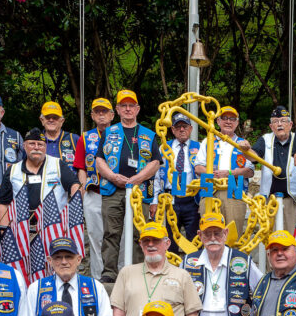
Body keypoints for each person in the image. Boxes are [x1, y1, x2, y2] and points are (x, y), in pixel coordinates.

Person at [94, 89, 162, 283]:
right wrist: (113, 176)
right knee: (111, 233)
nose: (128, 108)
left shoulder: (149, 135)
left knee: (140, 233)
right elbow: (99, 160)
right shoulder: (109, 132)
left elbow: (156, 162)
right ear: (117, 109)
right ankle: (109, 273)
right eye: (123, 105)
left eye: (131, 105)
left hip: (140, 192)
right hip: (113, 189)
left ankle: (138, 271)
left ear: (137, 109)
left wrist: (137, 179)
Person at [25, 237, 113, 316]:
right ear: (49, 260)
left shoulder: (95, 287)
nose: (64, 262)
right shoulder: (36, 289)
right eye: (58, 257)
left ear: (78, 259)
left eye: (68, 256)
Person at [0, 128, 80, 224]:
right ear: (24, 146)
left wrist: (75, 204)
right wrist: (4, 231)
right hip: (21, 229)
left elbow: (75, 185)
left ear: (45, 147)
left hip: (54, 227)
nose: (36, 147)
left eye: (40, 144)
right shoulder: (12, 170)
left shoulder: (58, 165)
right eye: (32, 144)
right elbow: (3, 204)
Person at [239, 106, 296, 233]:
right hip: (270, 200)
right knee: (270, 238)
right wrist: (245, 150)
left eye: (283, 121)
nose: (279, 124)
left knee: (293, 238)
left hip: (293, 199)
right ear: (271, 126)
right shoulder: (265, 139)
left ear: (290, 124)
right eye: (275, 121)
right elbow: (253, 157)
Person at [193, 106, 254, 235]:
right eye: (224, 118)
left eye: (232, 119)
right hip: (210, 191)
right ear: (218, 121)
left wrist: (229, 173)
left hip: (234, 194)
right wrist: (212, 175)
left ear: (237, 123)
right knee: (208, 234)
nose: (228, 122)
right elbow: (198, 168)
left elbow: (250, 170)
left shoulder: (243, 144)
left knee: (233, 235)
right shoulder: (207, 141)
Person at [72, 97, 115, 279]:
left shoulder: (120, 134)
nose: (101, 115)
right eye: (97, 111)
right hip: (94, 192)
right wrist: (82, 192)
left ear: (112, 115)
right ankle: (99, 278)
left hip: (115, 193)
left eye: (104, 111)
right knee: (96, 238)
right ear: (92, 115)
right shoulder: (85, 137)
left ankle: (118, 277)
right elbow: (81, 167)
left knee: (116, 236)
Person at [157, 113, 202, 248]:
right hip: (170, 197)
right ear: (172, 129)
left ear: (191, 128)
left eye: (185, 126)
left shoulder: (200, 147)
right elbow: (157, 174)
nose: (182, 130)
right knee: (169, 240)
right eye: (178, 127)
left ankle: (194, 268)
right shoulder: (164, 147)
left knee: (194, 239)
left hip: (193, 199)